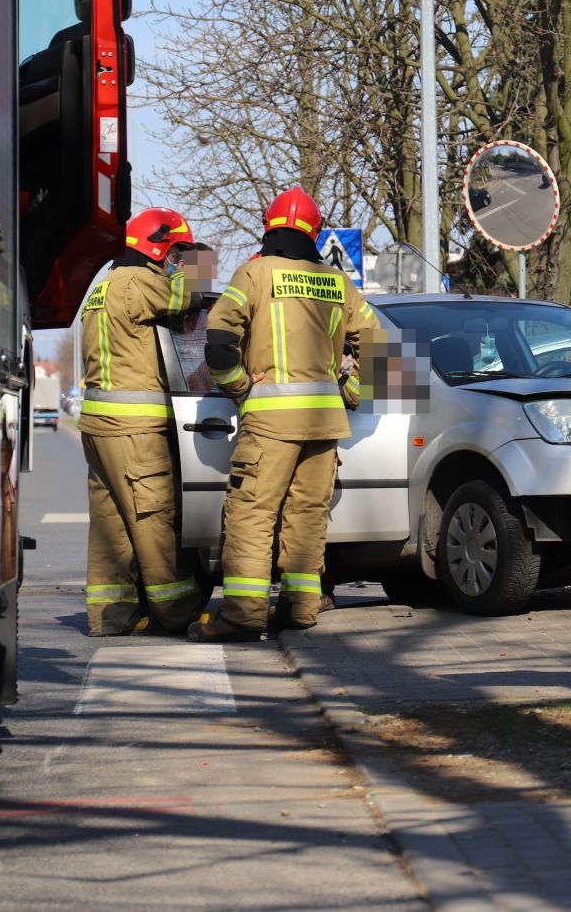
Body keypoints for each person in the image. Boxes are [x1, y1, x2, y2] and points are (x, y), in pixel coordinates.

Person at [189, 187, 379, 642]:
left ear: (269, 227)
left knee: (252, 515)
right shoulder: (338, 282)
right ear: (314, 232)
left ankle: (242, 616)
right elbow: (380, 345)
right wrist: (351, 392)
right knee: (309, 516)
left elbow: (217, 340)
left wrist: (238, 388)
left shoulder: (253, 274)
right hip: (324, 421)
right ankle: (300, 611)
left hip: (271, 423)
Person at [79, 206, 207, 635]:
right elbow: (190, 298)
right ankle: (177, 611)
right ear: (157, 246)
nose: (176, 263)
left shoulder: (105, 285)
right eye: (174, 253)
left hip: (99, 426)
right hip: (134, 429)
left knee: (110, 525)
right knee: (154, 517)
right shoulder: (140, 283)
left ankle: (110, 616)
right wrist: (199, 262)